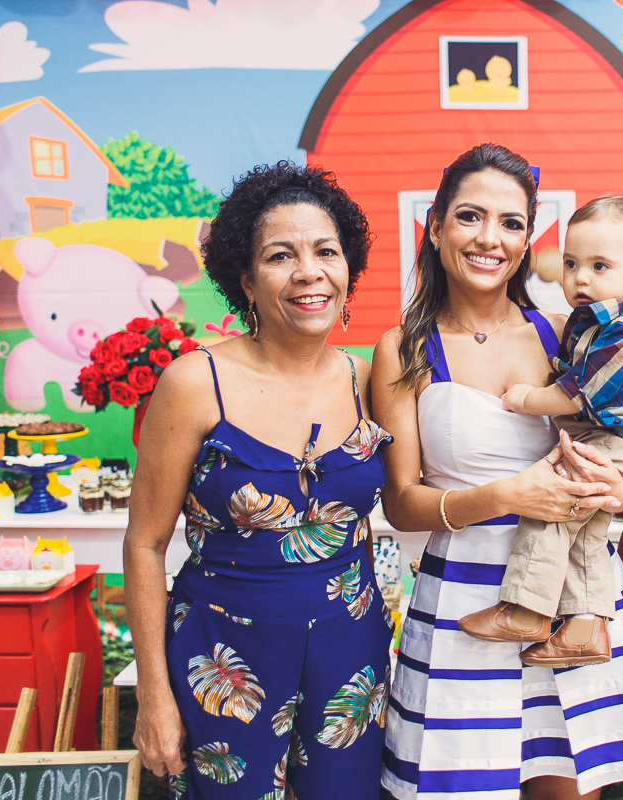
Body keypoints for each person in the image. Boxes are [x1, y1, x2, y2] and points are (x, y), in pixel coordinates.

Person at [373, 144, 623, 800]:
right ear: (434, 226)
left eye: (511, 223)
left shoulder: (561, 333)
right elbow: (401, 503)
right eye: (470, 216)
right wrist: (506, 496)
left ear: (526, 242)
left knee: (567, 785)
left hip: (570, 595)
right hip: (465, 600)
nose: (490, 238)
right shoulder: (404, 347)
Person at [123, 161, 394, 800]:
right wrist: (154, 696)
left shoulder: (369, 379)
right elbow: (144, 544)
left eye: (326, 251)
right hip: (223, 656)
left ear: (348, 267)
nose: (309, 272)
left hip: (349, 651)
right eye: (281, 255)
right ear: (245, 280)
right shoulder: (194, 383)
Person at [458, 196, 623, 669]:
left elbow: (576, 393)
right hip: (609, 438)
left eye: (600, 265)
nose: (580, 278)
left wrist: (524, 398)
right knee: (584, 529)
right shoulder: (591, 321)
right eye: (571, 263)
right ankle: (585, 628)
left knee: (553, 507)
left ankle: (526, 610)